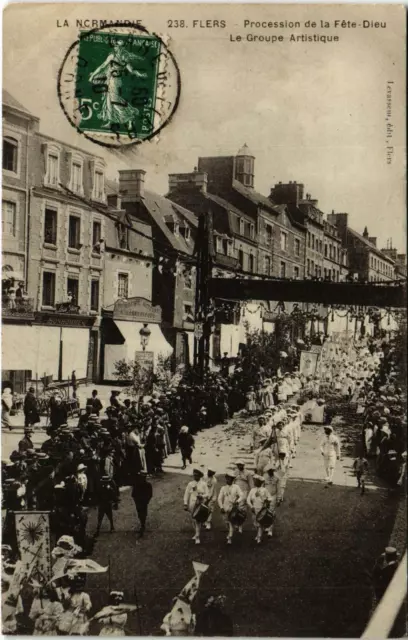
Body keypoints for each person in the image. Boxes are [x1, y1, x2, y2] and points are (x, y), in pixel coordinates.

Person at [183, 468, 209, 545]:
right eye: (194, 475)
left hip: (200, 503)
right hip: (192, 503)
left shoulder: (204, 484)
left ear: (200, 476)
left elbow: (207, 494)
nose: (195, 477)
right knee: (193, 519)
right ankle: (196, 533)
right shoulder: (190, 484)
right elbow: (186, 494)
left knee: (198, 520)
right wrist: (185, 503)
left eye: (197, 475)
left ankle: (197, 536)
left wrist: (202, 496)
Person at [218, 471, 244, 545]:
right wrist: (221, 507)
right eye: (227, 479)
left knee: (230, 522)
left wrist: (237, 501)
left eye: (229, 479)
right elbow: (219, 498)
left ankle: (230, 538)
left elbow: (241, 495)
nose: (228, 480)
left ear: (232, 479)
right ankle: (232, 530)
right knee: (226, 522)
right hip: (225, 508)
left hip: (233, 508)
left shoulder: (236, 487)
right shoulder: (223, 488)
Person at [247, 474, 273, 544]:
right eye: (254, 481)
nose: (255, 482)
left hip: (262, 509)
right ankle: (258, 534)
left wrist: (267, 501)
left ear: (260, 482)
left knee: (260, 524)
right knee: (255, 523)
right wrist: (251, 506)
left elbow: (270, 498)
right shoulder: (252, 490)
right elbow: (248, 499)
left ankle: (259, 538)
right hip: (254, 509)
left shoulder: (264, 490)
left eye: (257, 481)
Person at [132, 471, 153, 537]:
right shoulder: (138, 484)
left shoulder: (147, 485)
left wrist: (147, 501)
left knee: (142, 513)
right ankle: (142, 524)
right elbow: (133, 494)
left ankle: (142, 525)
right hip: (140, 501)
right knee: (141, 513)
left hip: (143, 502)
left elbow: (150, 494)